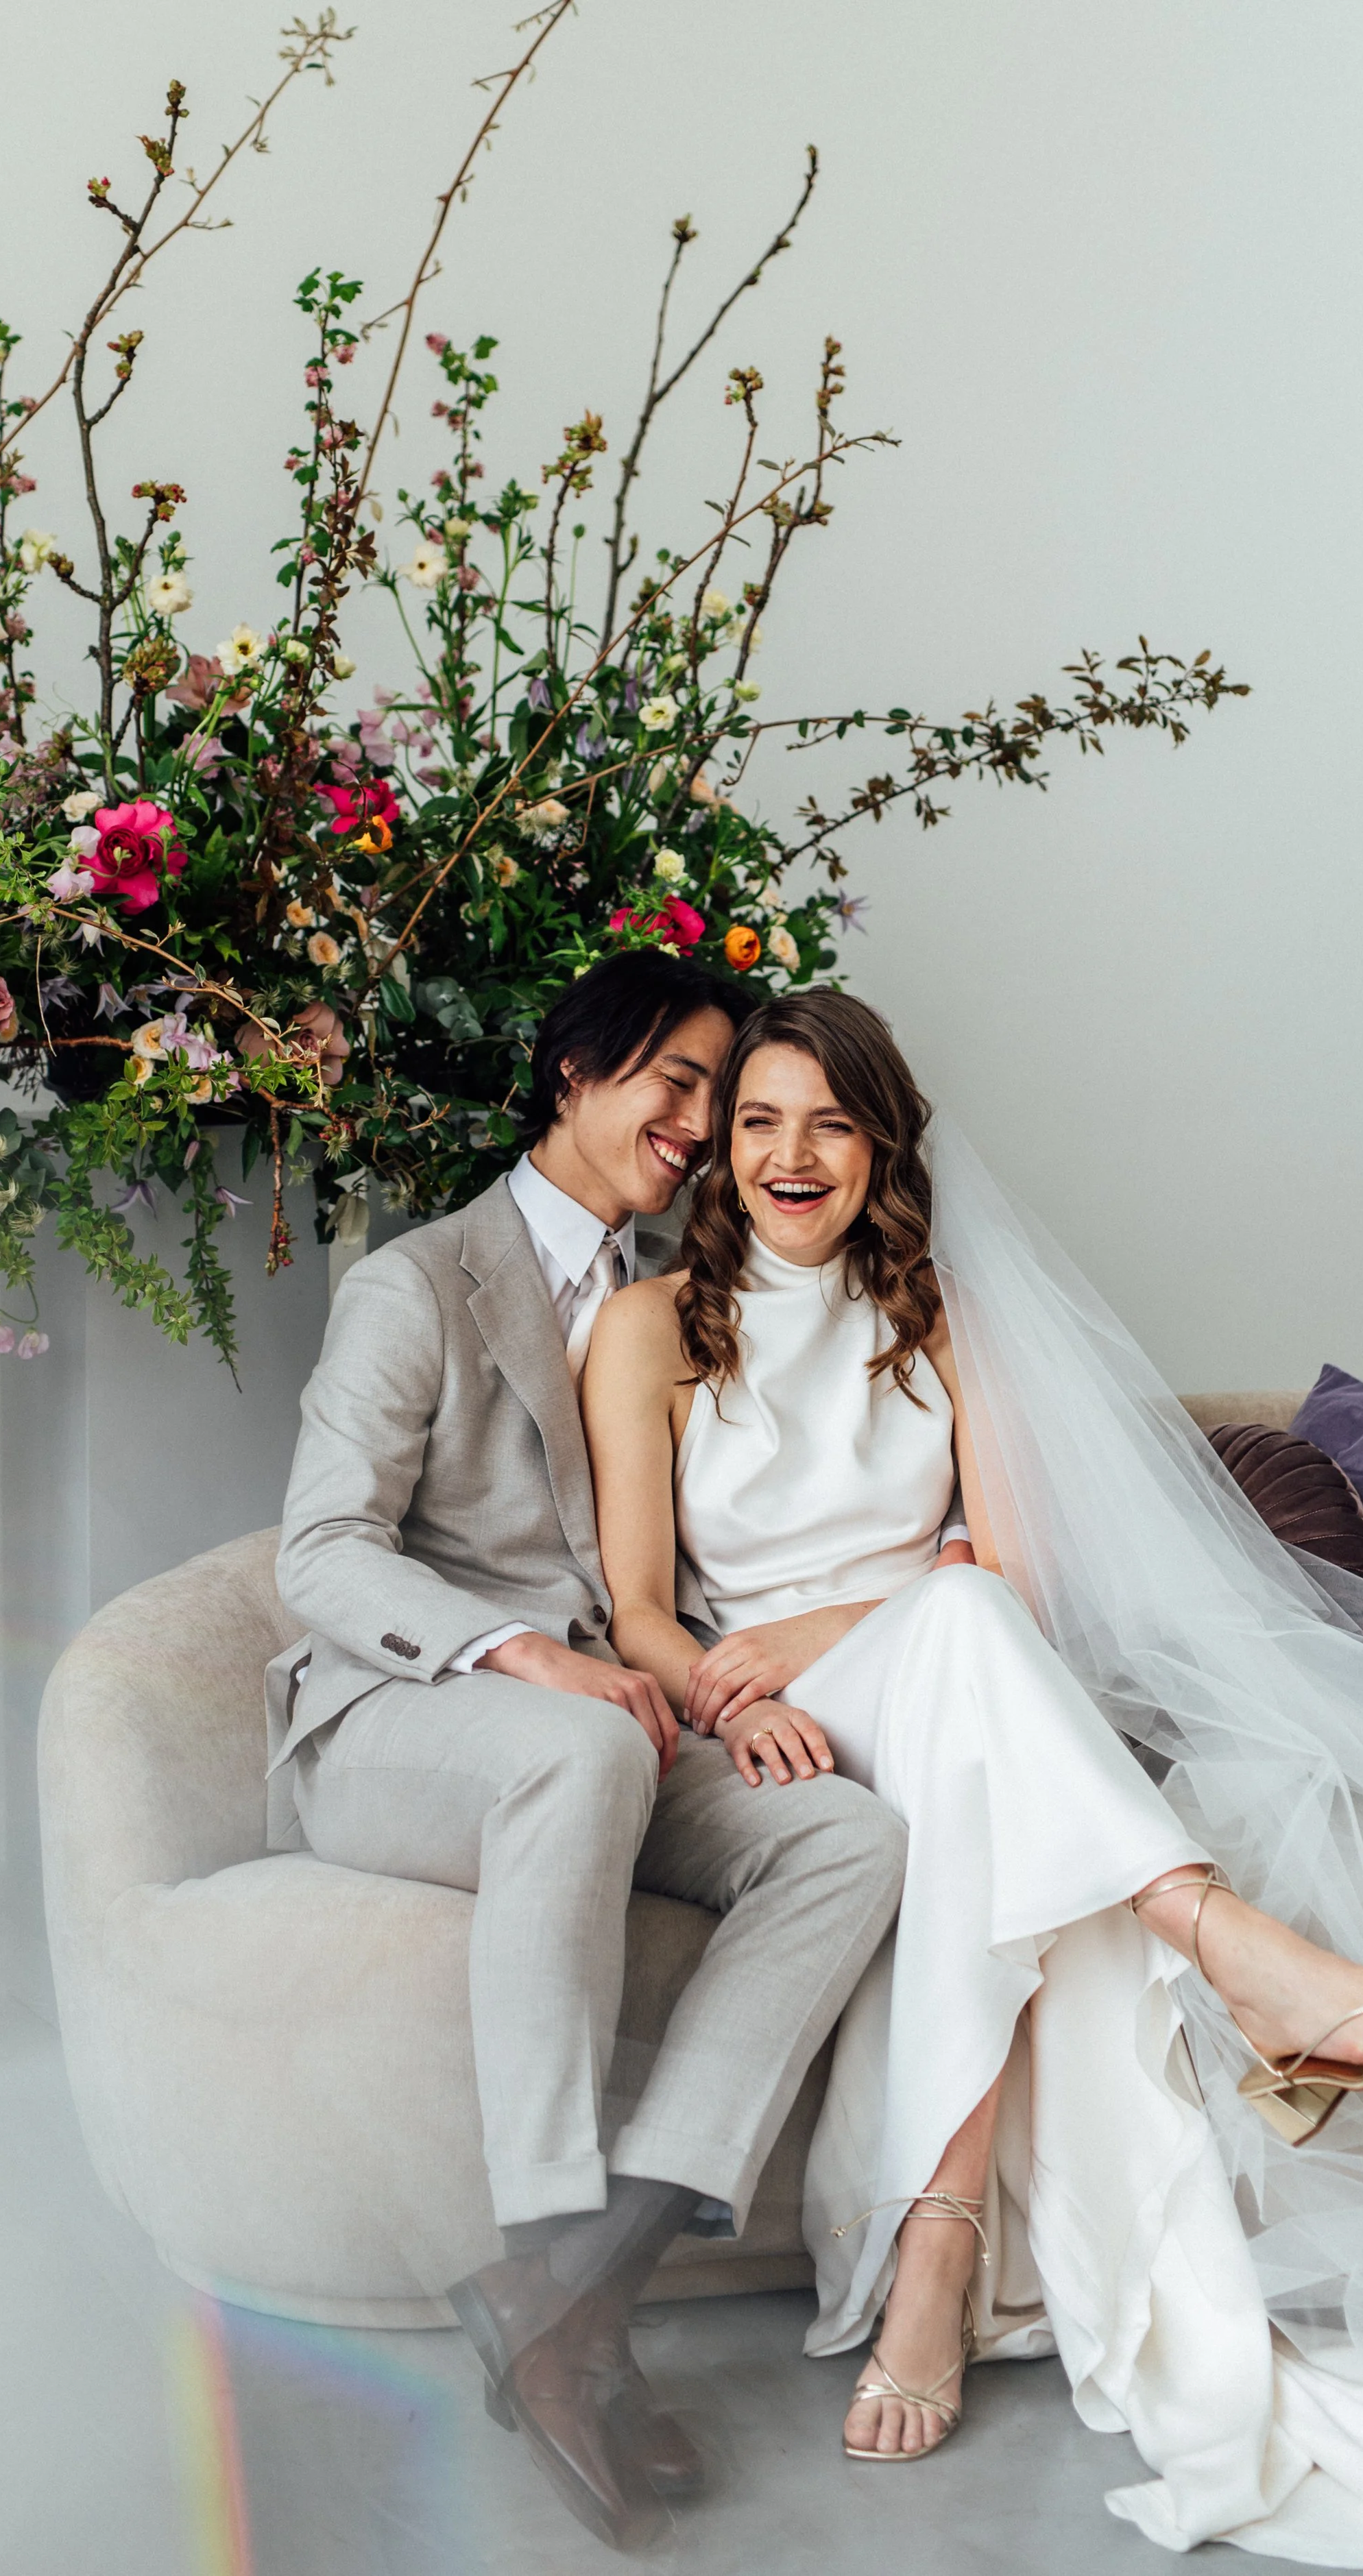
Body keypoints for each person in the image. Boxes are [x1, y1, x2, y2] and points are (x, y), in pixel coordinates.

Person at [583, 986, 1363, 2567]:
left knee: (962, 1624)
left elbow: (999, 1565)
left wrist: (827, 1620)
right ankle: (1233, 1948)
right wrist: (746, 1690)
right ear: (722, 1149)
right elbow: (648, 1616)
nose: (793, 1153)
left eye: (830, 1121)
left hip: (953, 1676)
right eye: (757, 1121)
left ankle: (935, 2260)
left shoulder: (936, 1310)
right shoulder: (646, 1326)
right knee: (954, 1628)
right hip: (792, 1728)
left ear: (880, 1144)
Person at [265, 952, 908, 2553]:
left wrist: (723, 1685)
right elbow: (321, 1553)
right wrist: (521, 1649)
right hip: (397, 1726)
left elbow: (654, 1583)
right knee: (580, 1752)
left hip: (607, 1722)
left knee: (847, 1836)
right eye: (669, 1084)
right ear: (572, 1074)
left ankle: (574, 2291)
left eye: (717, 1091)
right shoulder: (415, 1281)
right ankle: (547, 2238)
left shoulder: (669, 1296)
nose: (697, 1125)